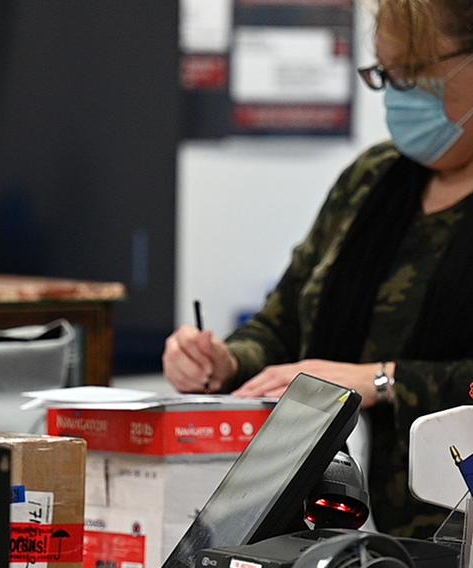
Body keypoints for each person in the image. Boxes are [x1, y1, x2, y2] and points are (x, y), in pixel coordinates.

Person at [163, 0, 473, 539]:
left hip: (450, 532)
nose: (397, 94)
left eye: (416, 74)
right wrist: (224, 360)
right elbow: (282, 325)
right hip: (329, 528)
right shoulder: (372, 180)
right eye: (386, 74)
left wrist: (381, 381)